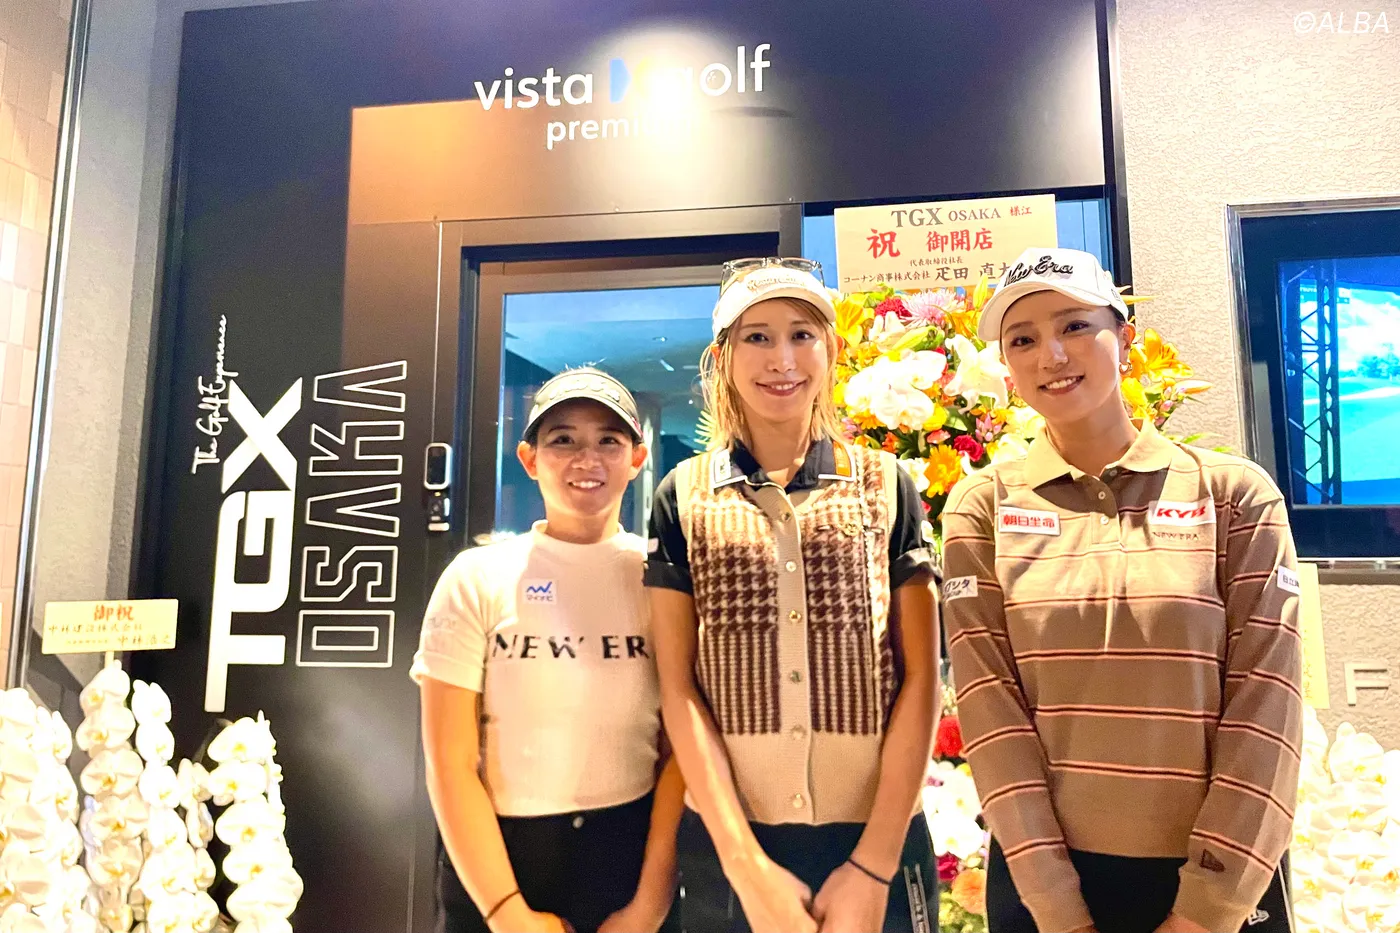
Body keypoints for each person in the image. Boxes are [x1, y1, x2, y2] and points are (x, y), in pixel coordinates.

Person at [942, 247, 1301, 933]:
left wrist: (1205, 910)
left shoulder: (1234, 494)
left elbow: (1267, 709)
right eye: (1023, 339)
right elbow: (992, 715)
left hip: (1221, 883)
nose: (1051, 354)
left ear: (1126, 340)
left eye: (1075, 326)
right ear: (1007, 367)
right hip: (1048, 887)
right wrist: (1059, 909)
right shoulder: (981, 506)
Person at [645, 257, 940, 933]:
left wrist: (875, 865)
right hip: (731, 847)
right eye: (757, 337)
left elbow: (922, 676)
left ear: (831, 350)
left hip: (879, 841)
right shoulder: (682, 494)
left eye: (802, 335)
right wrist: (745, 867)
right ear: (723, 357)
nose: (782, 359)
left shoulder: (886, 483)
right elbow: (678, 688)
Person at [413, 368, 684, 933]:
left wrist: (649, 905)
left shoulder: (662, 580)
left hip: (628, 855)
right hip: (500, 861)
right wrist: (506, 914)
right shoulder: (476, 577)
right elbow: (450, 763)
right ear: (530, 459)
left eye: (608, 440)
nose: (587, 458)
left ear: (637, 459)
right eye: (563, 440)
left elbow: (678, 753)